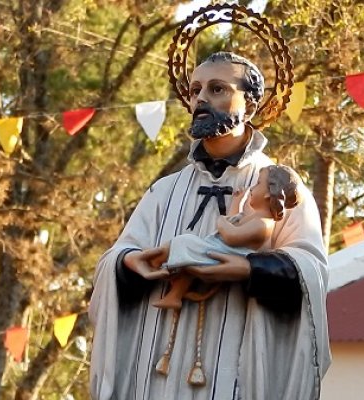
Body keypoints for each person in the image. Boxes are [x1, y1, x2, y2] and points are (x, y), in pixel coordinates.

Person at [89, 51, 331, 399]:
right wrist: (129, 263)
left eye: (217, 89)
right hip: (154, 374)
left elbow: (310, 272)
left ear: (250, 104)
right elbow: (115, 260)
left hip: (234, 369)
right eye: (195, 89)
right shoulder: (165, 190)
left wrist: (248, 269)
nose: (201, 98)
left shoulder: (280, 186)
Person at [143, 164, 302, 309]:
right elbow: (235, 219)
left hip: (224, 254)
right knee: (187, 263)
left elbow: (232, 236)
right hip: (220, 248)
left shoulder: (263, 224)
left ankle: (154, 263)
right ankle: (174, 296)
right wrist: (237, 202)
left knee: (184, 242)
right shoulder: (255, 217)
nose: (252, 188)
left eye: (258, 183)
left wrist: (220, 221)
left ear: (269, 193)